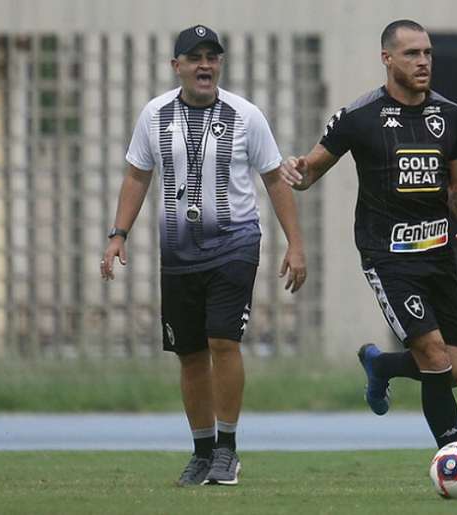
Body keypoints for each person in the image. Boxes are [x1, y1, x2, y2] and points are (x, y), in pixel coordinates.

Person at [101, 24, 306, 486]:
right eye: (194, 58)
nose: (205, 65)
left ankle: (227, 451)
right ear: (177, 67)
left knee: (222, 341)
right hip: (178, 253)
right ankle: (201, 451)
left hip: (235, 244)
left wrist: (296, 243)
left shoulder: (246, 115)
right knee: (190, 353)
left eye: (212, 57)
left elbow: (275, 178)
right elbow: (137, 176)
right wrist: (118, 234)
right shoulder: (154, 116)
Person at [279, 19, 457, 451]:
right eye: (412, 54)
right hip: (388, 256)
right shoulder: (359, 117)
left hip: (438, 254)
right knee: (433, 354)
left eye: (428, 53)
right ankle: (453, 458)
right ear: (387, 58)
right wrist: (294, 169)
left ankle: (381, 365)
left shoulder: (450, 116)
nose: (423, 62)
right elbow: (309, 174)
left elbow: (455, 188)